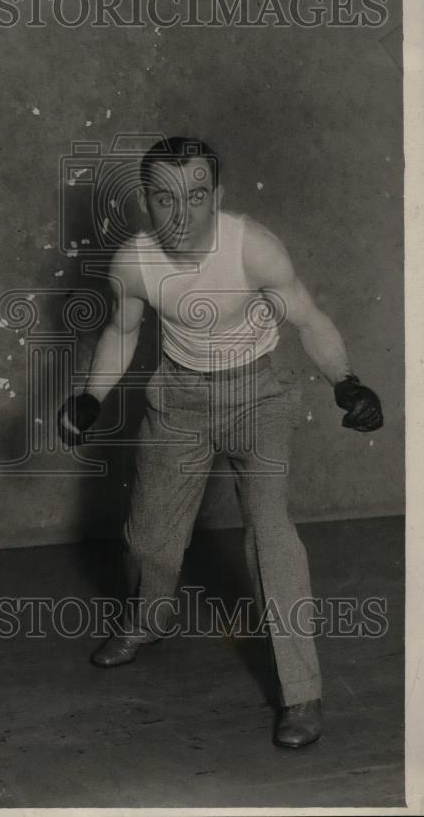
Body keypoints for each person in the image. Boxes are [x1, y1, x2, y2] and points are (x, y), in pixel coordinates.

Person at [58, 137, 382, 748]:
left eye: (197, 196)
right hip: (178, 400)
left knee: (271, 535)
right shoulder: (134, 262)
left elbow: (308, 318)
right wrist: (90, 397)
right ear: (146, 201)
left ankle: (302, 692)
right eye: (164, 199)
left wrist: (347, 381)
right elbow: (122, 332)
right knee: (148, 537)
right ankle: (148, 621)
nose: (181, 215)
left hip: (258, 397)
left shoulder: (252, 247)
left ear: (218, 197)